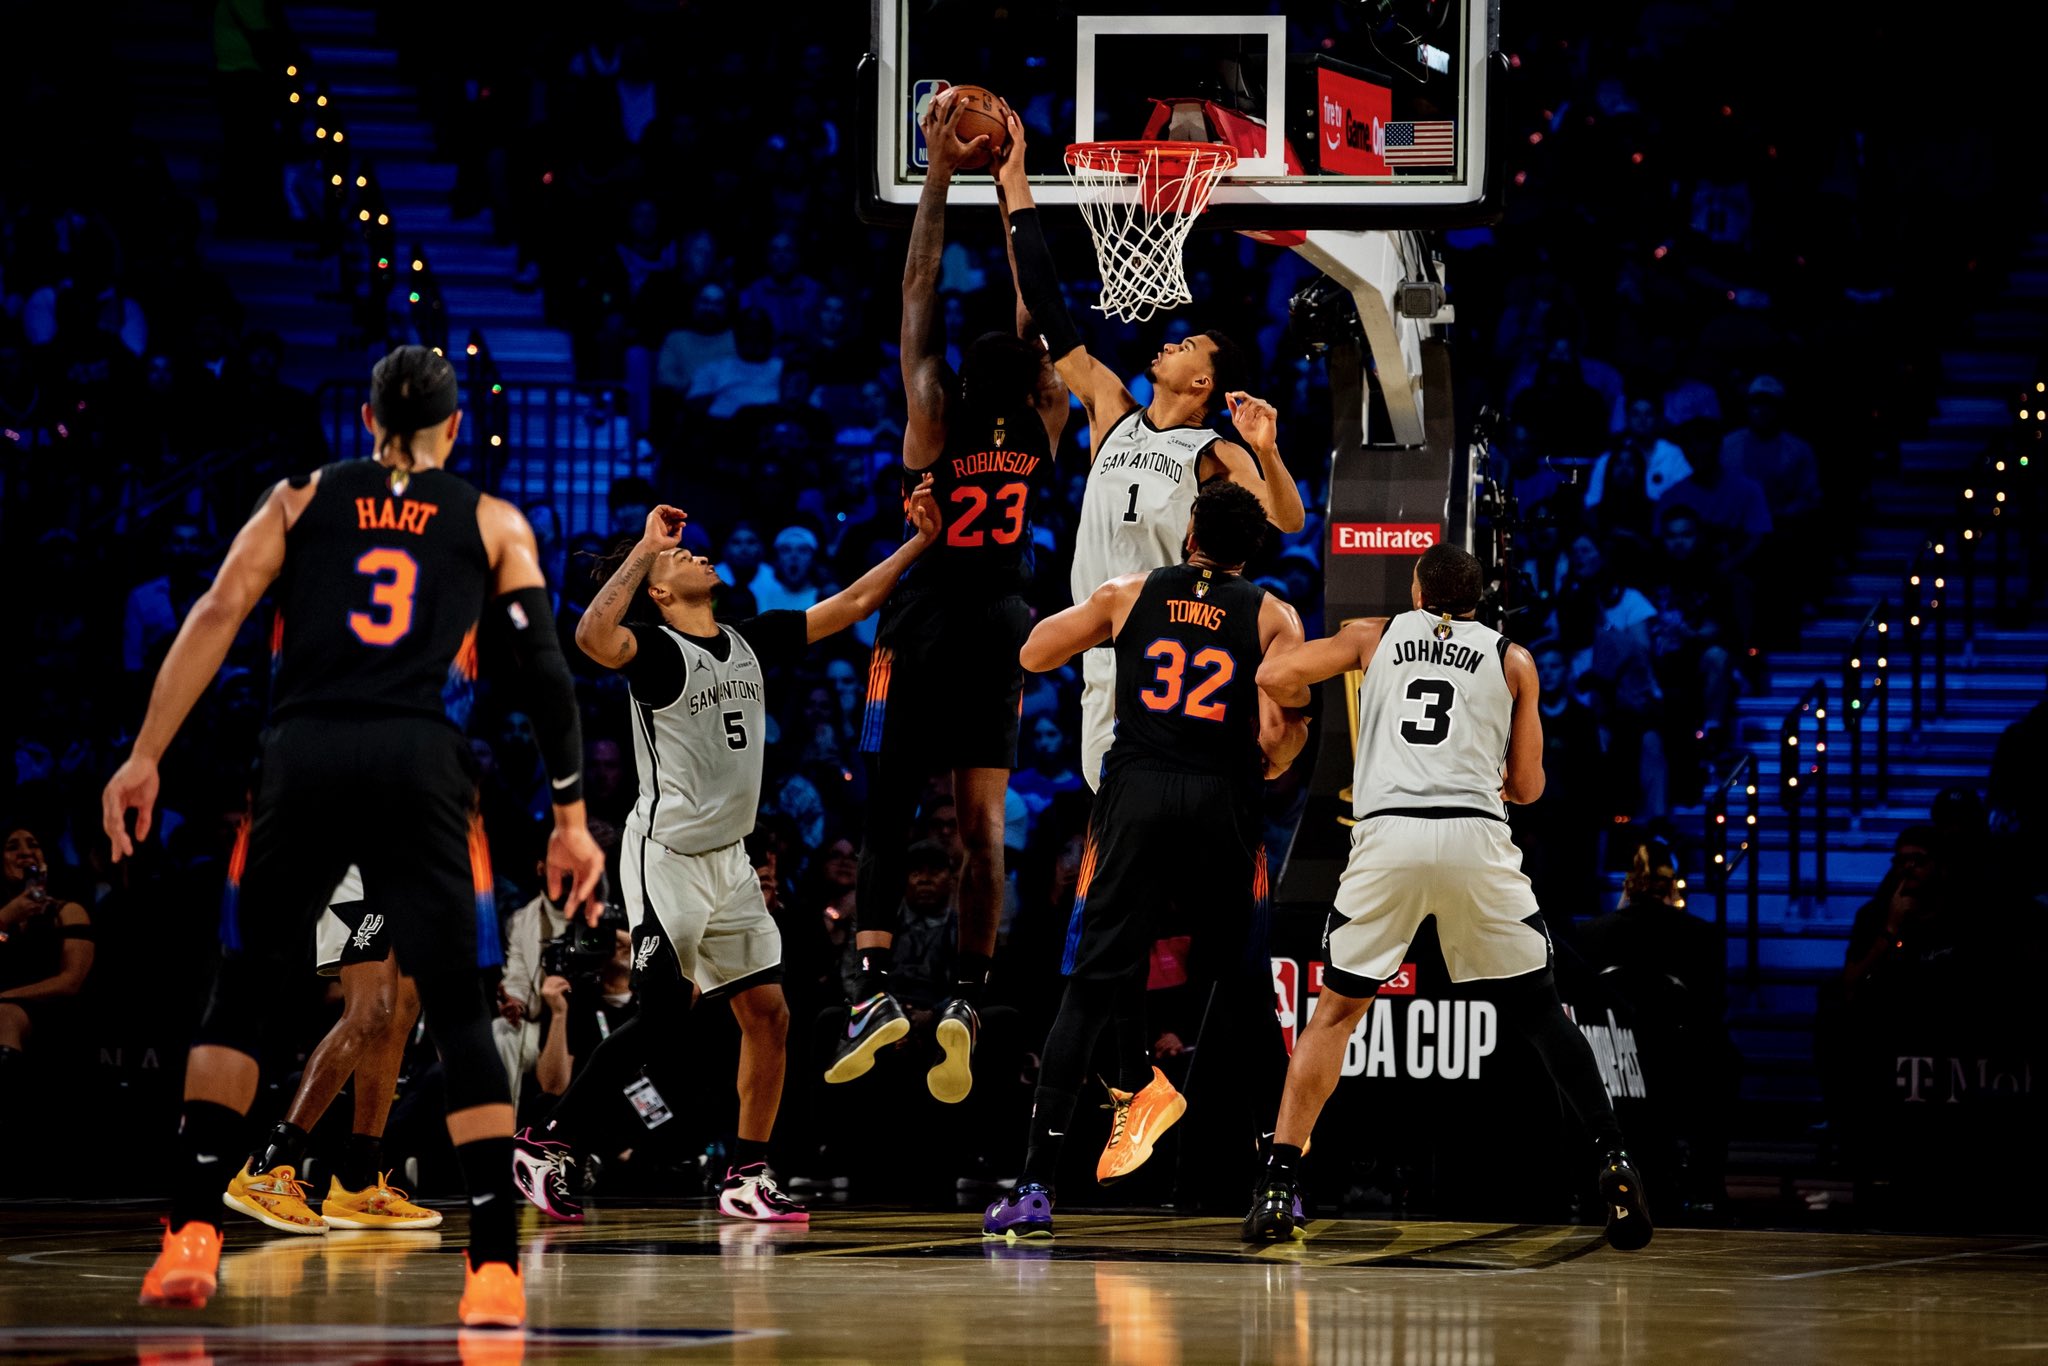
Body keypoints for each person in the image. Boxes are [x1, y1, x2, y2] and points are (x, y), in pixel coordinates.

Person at [102, 345, 605, 1327]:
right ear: (455, 426)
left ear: (367, 422)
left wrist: (144, 753)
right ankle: (493, 1268)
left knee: (242, 990)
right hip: (422, 759)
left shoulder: (297, 498)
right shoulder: (490, 518)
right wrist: (571, 816)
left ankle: (191, 1234)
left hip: (304, 751)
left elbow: (214, 613)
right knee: (456, 1005)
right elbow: (545, 670)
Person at [514, 479, 943, 1223]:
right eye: (682, 558)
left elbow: (849, 606)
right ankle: (546, 1139)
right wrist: (647, 547)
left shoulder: (746, 636)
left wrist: (921, 541)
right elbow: (588, 638)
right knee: (659, 1019)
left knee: (769, 1015)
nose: (699, 554)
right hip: (668, 856)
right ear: (658, 592)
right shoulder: (653, 651)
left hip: (730, 862)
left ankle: (747, 1172)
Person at [1239, 542, 1652, 1252]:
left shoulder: (1375, 634)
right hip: (1474, 838)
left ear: (1416, 590)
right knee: (1543, 1016)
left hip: (1389, 834)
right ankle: (1613, 1157)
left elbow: (1275, 672)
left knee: (1334, 1015)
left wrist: (1302, 714)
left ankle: (1278, 1183)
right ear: (1480, 598)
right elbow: (1528, 789)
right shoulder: (1512, 659)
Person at [983, 480, 1307, 1236]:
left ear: (1189, 530)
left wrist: (1106, 632)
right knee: (1247, 993)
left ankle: (1035, 1183)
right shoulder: (1272, 614)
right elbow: (1278, 740)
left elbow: (1034, 653)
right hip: (1220, 797)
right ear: (1252, 549)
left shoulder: (1129, 592)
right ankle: (1278, 1183)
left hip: (1134, 793)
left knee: (1091, 984)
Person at [828, 93, 1068, 1107]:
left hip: (918, 619)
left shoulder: (933, 415)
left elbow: (918, 283)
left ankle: (875, 986)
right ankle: (968, 996)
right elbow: (1036, 313)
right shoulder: (1048, 418)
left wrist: (938, 170)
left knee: (884, 801)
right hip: (1003, 624)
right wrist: (1012, 185)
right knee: (982, 823)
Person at [992, 105, 1306, 790]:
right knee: (1113, 831)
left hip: (1167, 655)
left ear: (1202, 380)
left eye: (1187, 346)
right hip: (1098, 654)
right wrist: (1014, 184)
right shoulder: (1111, 410)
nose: (1168, 343)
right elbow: (1049, 308)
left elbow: (1287, 520)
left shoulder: (1218, 453)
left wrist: (1268, 450)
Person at [222, 866, 440, 1235]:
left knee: (400, 1014)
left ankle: (358, 1182)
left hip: (411, 869)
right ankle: (267, 1168)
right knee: (372, 1010)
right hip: (362, 866)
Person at [0, 824, 95, 1102]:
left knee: (5, 1016)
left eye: (33, 844)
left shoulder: (66, 911)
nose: (25, 852)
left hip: (53, 1016)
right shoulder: (3, 923)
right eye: (12, 847)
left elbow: (70, 981)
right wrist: (5, 918)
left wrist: (5, 997)